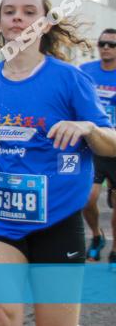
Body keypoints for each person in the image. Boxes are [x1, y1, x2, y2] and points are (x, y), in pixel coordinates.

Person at [0, 0, 116, 326]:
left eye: (29, 12)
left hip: (58, 219)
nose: (18, 17)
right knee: (1, 315)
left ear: (45, 24)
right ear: (0, 24)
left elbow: (111, 140)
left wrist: (87, 129)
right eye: (9, 11)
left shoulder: (69, 79)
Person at [80, 28, 116, 264]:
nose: (105, 48)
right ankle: (96, 236)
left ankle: (115, 251)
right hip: (91, 145)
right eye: (102, 43)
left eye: (111, 45)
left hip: (115, 146)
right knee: (87, 199)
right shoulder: (85, 72)